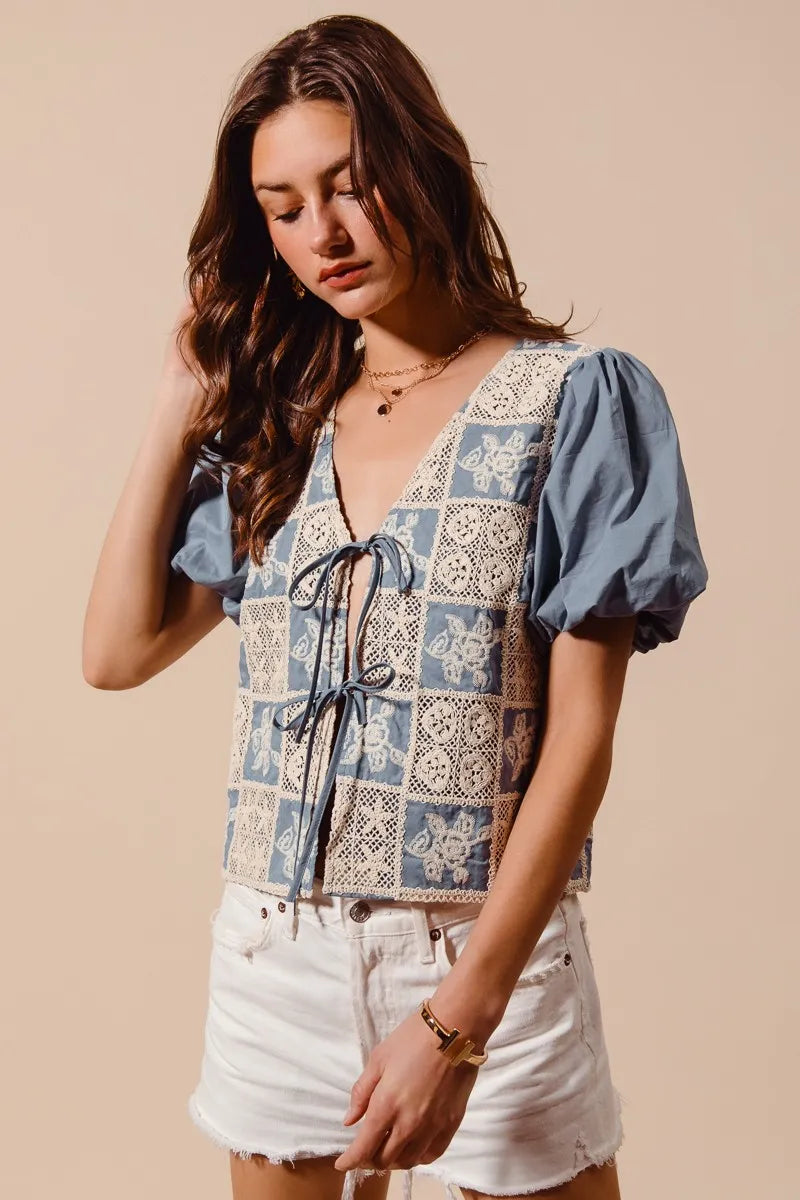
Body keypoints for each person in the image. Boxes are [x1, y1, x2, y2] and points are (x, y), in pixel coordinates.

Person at [82, 15, 709, 1200]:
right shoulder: (275, 421)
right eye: (281, 205)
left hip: (485, 961)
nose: (321, 233)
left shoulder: (570, 403)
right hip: (277, 953)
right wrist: (177, 400)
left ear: (422, 168)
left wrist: (455, 1023)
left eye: (350, 186)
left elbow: (578, 739)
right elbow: (113, 652)